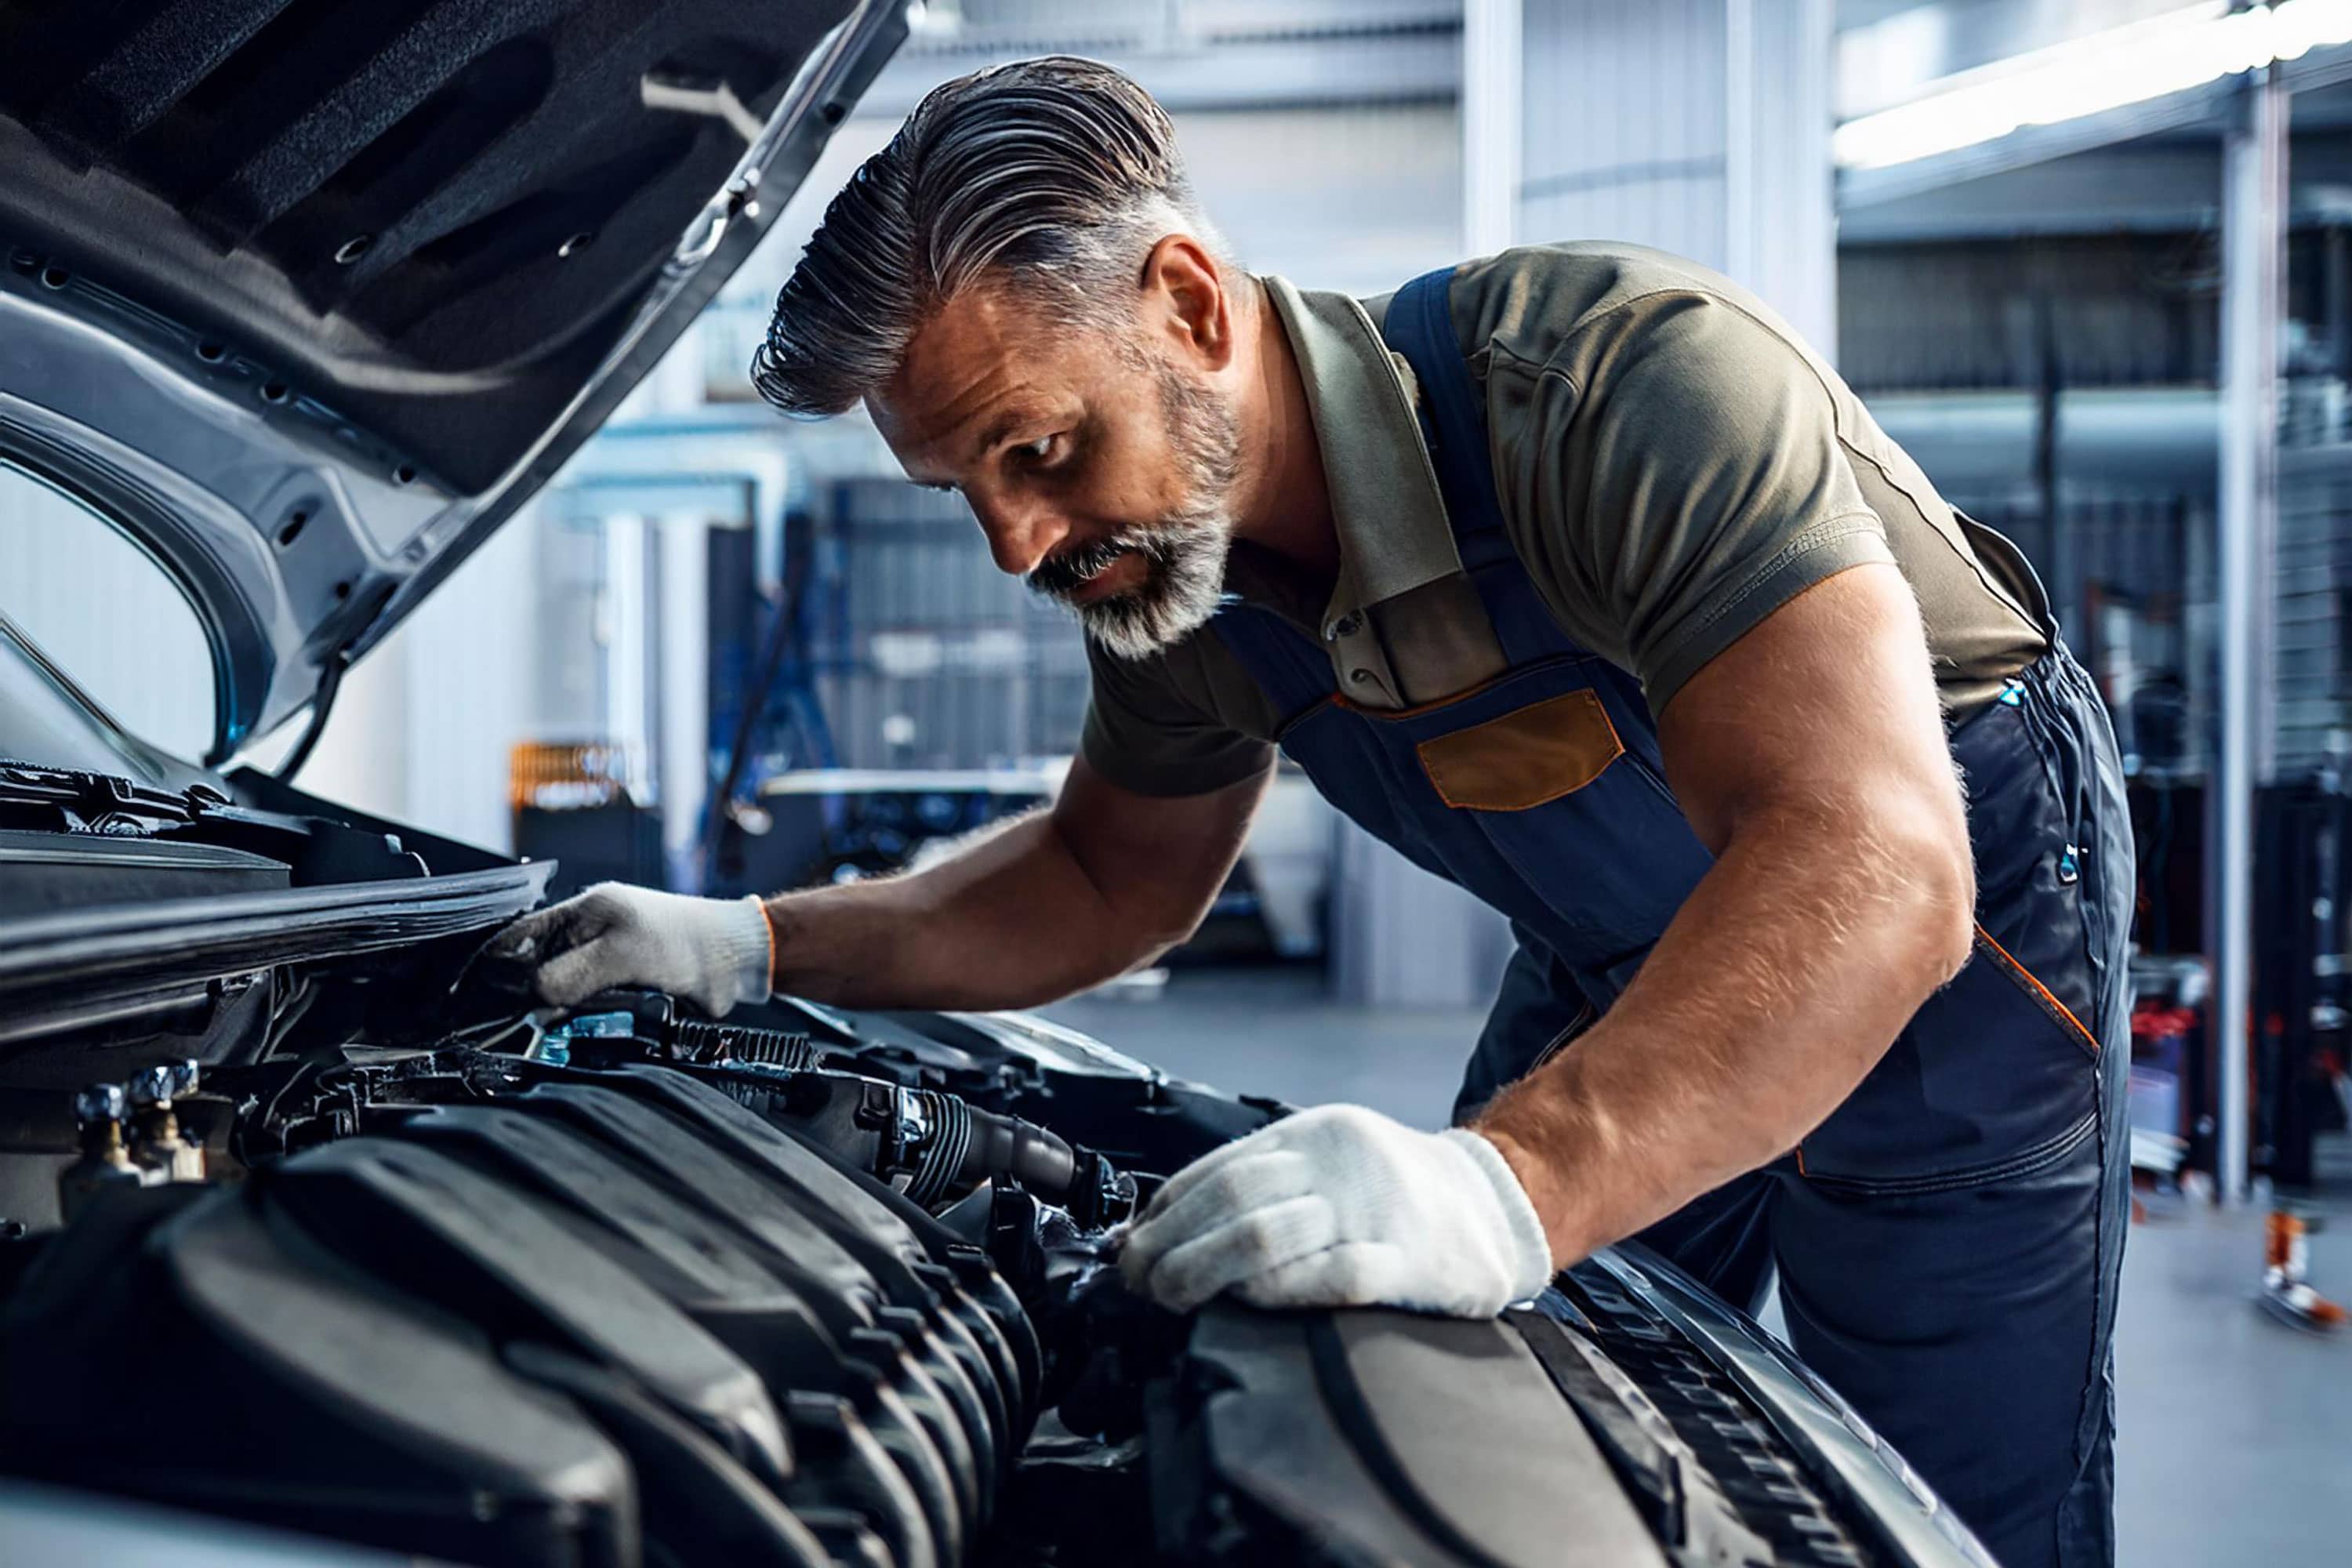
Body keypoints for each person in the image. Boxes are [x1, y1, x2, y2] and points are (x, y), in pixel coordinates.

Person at [483, 57, 2133, 1568]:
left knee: (1940, 1489)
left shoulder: (1614, 384)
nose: (1014, 543)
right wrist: (752, 944)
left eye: (1040, 448)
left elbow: (1875, 862)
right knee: (1500, 1411)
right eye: (963, 489)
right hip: (1619, 942)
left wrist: (1515, 1181)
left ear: (1190, 305)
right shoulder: (1177, 586)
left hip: (1948, 913)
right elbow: (1102, 878)